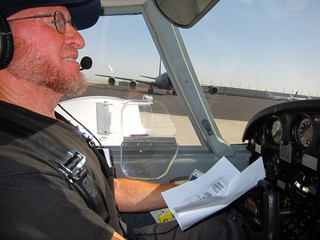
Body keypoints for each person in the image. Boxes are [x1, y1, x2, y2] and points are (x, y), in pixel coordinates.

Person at [0, 1, 248, 239]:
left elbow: (106, 188)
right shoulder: (14, 169)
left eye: (71, 22)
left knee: (222, 228)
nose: (79, 39)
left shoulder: (47, 122)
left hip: (118, 228)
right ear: (3, 41)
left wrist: (189, 192)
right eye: (57, 21)